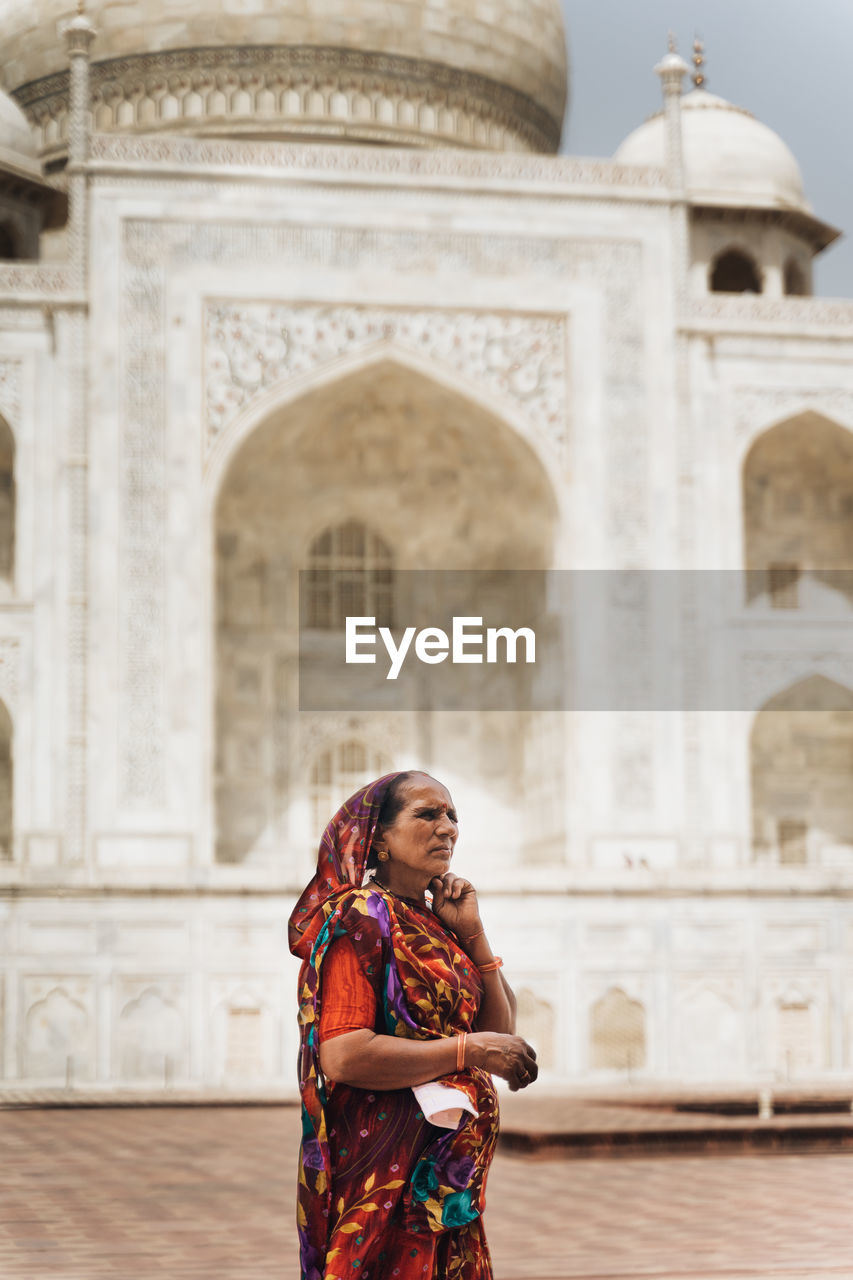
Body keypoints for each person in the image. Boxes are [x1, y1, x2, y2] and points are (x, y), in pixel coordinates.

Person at [288, 770, 538, 1280]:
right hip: (385, 1174)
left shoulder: (432, 921)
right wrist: (465, 1052)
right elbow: (344, 1053)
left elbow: (497, 1029)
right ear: (377, 837)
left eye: (452, 816)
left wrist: (473, 935)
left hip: (443, 1181)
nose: (448, 828)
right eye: (428, 814)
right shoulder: (359, 917)